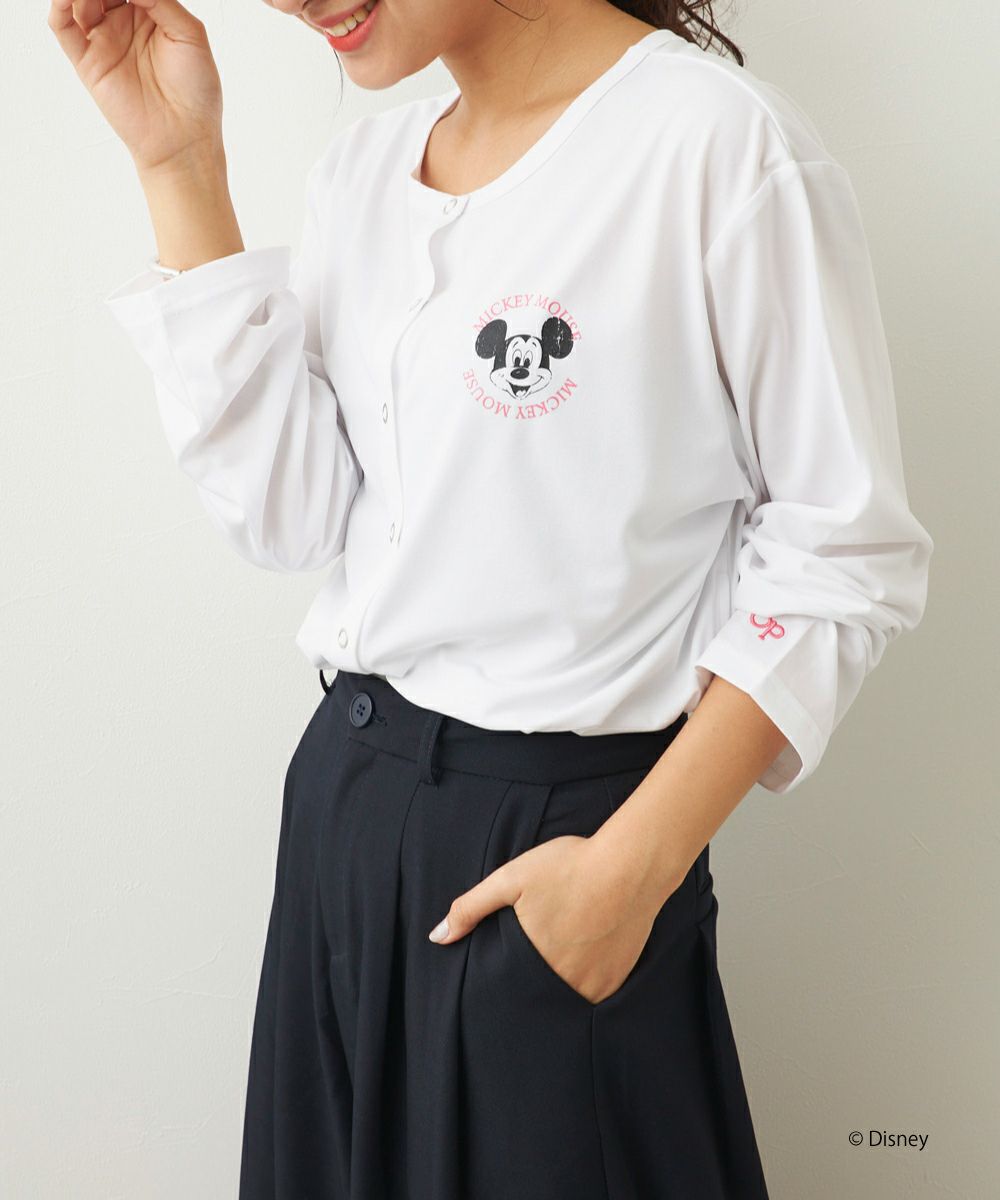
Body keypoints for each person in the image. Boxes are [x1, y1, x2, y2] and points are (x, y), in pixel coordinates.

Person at [49, 0, 934, 1196]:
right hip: (345, 815)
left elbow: (845, 550)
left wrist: (628, 874)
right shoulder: (365, 169)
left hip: (561, 844)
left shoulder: (715, 147)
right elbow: (293, 517)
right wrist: (179, 166)